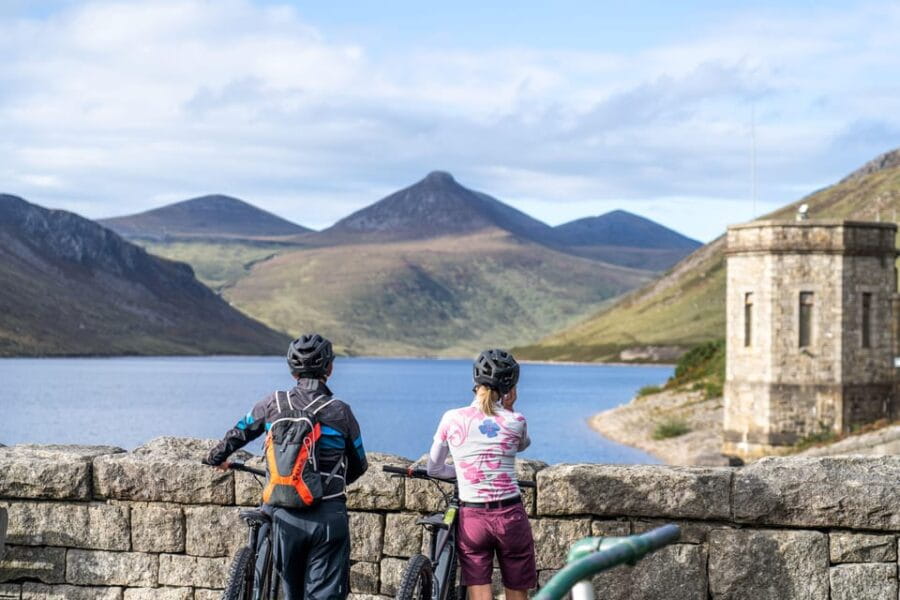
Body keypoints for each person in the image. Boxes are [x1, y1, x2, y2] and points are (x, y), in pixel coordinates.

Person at [205, 333, 368, 600]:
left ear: (292, 371)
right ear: (330, 368)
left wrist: (215, 457)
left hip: (283, 515)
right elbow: (359, 464)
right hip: (328, 515)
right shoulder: (340, 411)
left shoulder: (273, 403)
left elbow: (240, 431)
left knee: (286, 592)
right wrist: (325, 486)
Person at [426, 349, 536, 600]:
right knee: (517, 588)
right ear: (509, 387)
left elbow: (434, 468)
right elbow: (521, 445)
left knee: (479, 588)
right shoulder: (516, 420)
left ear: (475, 382)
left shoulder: (451, 418)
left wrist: (465, 473)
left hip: (473, 516)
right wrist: (510, 408)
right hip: (510, 515)